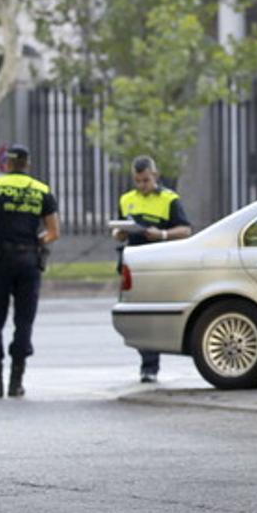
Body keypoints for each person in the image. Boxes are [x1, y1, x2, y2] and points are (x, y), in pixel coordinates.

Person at [0, 143, 59, 399]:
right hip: (28, 261)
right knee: (24, 321)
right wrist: (35, 242)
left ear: (6, 164)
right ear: (27, 164)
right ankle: (16, 381)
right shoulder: (41, 190)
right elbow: (54, 232)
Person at [113, 156, 192, 382]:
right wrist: (119, 232)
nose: (141, 186)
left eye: (146, 180)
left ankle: (150, 365)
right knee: (137, 314)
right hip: (132, 262)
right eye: (137, 181)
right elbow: (119, 228)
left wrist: (162, 234)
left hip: (158, 263)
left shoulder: (169, 200)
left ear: (155, 176)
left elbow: (185, 230)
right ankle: (147, 361)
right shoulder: (127, 199)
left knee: (154, 314)